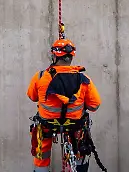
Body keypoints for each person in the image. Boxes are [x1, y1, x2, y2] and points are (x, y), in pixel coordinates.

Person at [27, 37, 103, 172]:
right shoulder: (84, 79)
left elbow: (32, 97)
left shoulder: (40, 77)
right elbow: (94, 105)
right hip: (75, 125)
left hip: (47, 125)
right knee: (81, 150)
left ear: (54, 55)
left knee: (42, 153)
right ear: (71, 57)